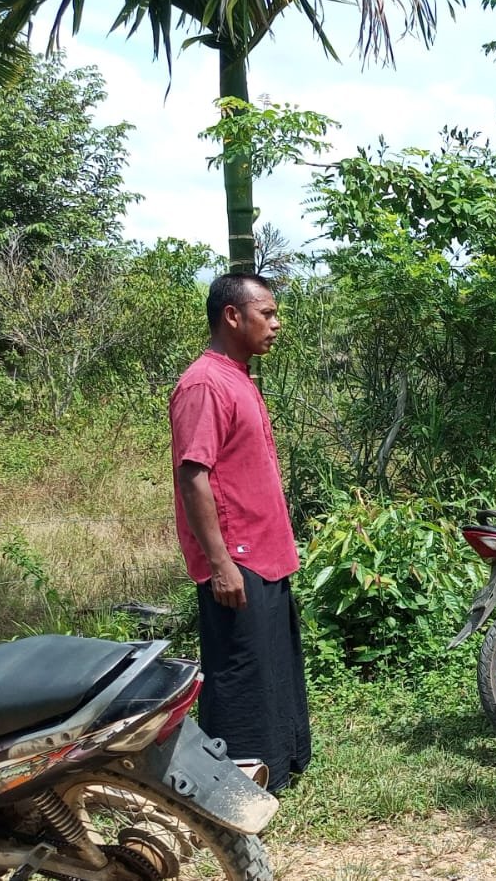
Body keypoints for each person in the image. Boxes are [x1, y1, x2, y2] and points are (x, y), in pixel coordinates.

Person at [169, 272, 310, 794]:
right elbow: (193, 476)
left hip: (266, 551)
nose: (276, 324)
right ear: (233, 316)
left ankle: (279, 767)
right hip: (238, 557)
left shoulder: (238, 377)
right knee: (240, 672)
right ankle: (234, 783)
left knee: (271, 665)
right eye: (266, 313)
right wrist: (220, 563)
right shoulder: (204, 384)